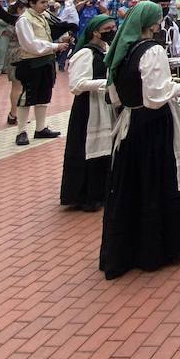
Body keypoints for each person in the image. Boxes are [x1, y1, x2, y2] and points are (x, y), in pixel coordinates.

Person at [99, 1, 180, 280]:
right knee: (158, 181)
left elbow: (115, 94)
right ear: (152, 24)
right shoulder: (152, 50)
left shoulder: (122, 50)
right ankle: (157, 247)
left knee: (131, 184)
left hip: (131, 124)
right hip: (153, 126)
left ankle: (128, 246)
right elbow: (156, 96)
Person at [60, 14, 117, 212]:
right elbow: (77, 85)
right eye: (108, 28)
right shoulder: (85, 53)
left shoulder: (106, 49)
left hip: (104, 104)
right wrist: (106, 84)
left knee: (103, 148)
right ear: (95, 32)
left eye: (113, 27)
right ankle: (83, 195)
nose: (112, 31)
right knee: (87, 148)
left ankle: (100, 192)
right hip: (89, 106)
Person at [13, 0, 73, 147]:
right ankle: (21, 131)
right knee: (27, 97)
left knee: (44, 95)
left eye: (47, 2)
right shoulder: (24, 20)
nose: (46, 5)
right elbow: (29, 44)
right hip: (31, 63)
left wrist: (60, 42)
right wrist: (54, 46)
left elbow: (48, 36)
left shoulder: (42, 17)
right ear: (32, 4)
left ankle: (40, 128)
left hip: (46, 61)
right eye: (42, 2)